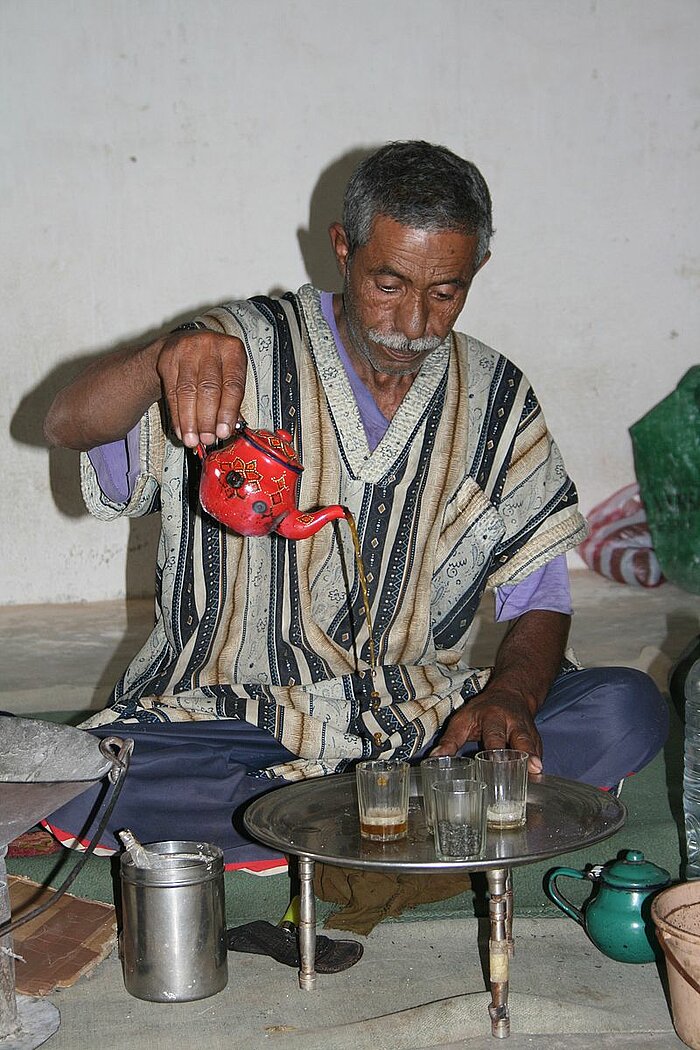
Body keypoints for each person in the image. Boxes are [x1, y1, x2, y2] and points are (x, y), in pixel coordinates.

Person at [43, 141, 668, 872]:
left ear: (476, 273)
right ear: (344, 248)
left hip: (420, 717)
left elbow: (541, 592)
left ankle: (312, 819)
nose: (413, 321)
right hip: (234, 711)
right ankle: (406, 814)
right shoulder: (231, 352)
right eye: (389, 282)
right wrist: (160, 360)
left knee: (627, 706)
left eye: (445, 292)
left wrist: (513, 696)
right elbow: (67, 425)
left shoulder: (494, 395)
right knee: (83, 778)